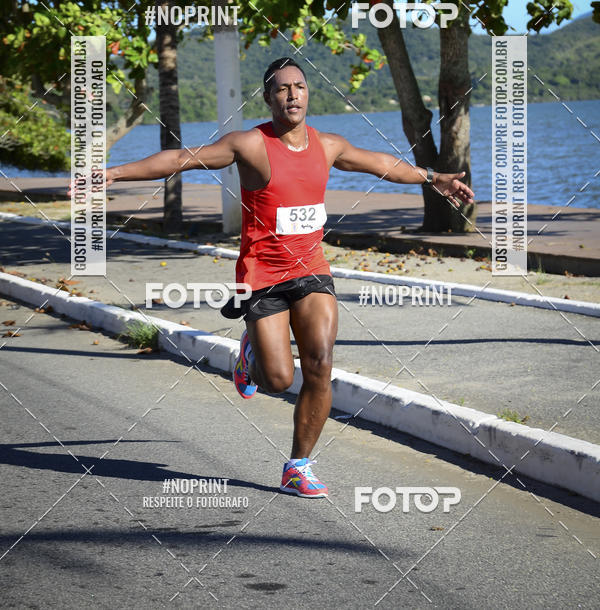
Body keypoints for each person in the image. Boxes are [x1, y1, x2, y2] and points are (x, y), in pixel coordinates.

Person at [101, 57, 474, 498]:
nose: (293, 94)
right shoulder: (250, 145)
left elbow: (379, 164)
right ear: (269, 97)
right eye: (282, 88)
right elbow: (182, 158)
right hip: (262, 276)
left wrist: (433, 178)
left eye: (299, 86)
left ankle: (298, 465)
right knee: (277, 379)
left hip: (311, 271)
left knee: (319, 365)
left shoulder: (327, 145)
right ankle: (250, 355)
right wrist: (110, 173)